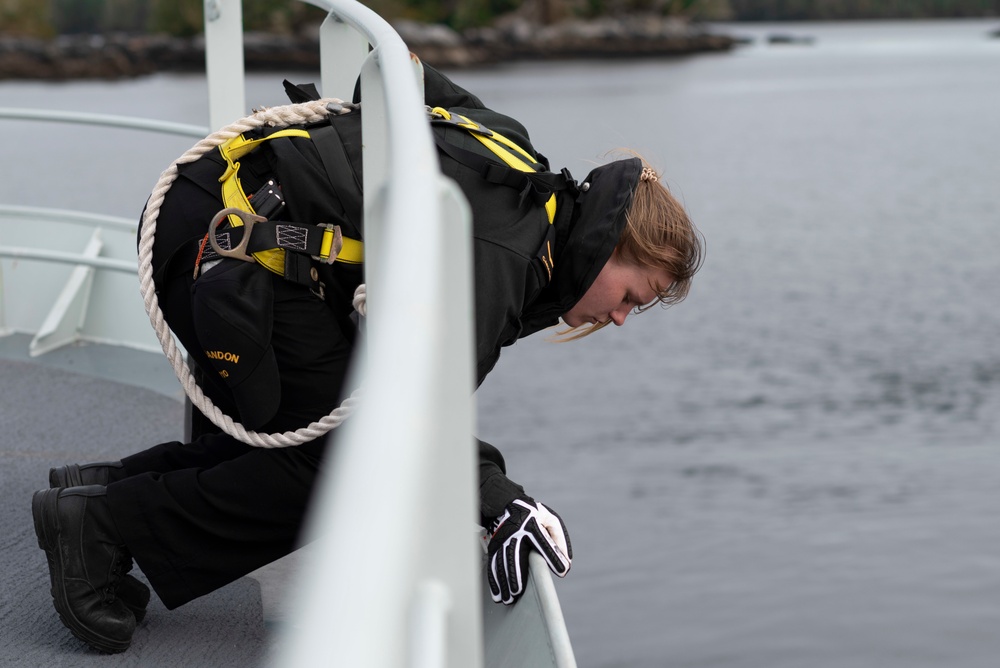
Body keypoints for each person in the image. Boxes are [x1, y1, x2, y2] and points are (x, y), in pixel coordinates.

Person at [30, 64, 702, 653]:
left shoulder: (519, 162)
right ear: (609, 245)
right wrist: (503, 500)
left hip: (213, 206)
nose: (617, 318)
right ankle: (101, 525)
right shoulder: (507, 257)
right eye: (630, 296)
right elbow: (413, 421)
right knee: (343, 470)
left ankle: (102, 487)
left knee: (315, 424)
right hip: (224, 247)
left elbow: (403, 80)